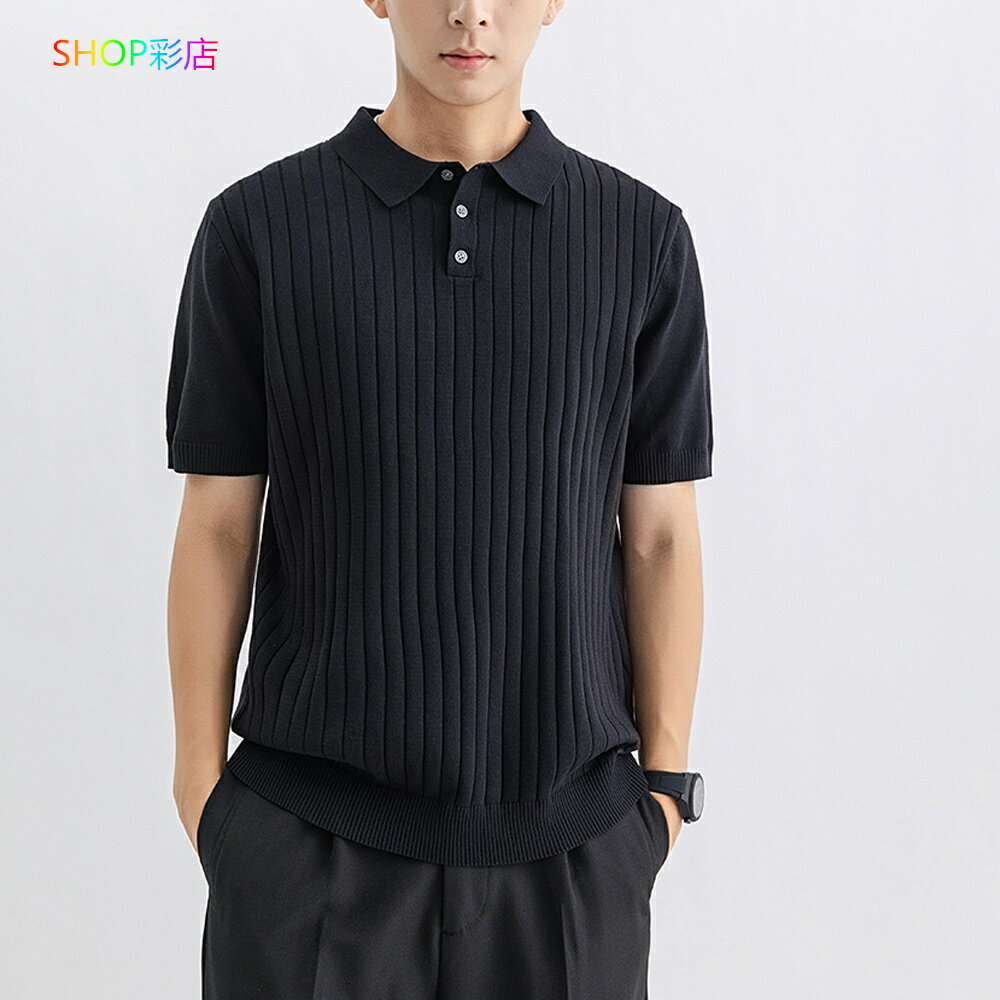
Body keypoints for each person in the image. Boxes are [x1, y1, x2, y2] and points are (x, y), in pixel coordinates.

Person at [165, 1, 713, 997]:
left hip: (573, 849)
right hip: (306, 842)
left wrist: (663, 793)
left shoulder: (641, 238)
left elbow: (660, 535)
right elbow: (218, 521)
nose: (471, 13)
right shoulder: (258, 228)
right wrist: (203, 789)